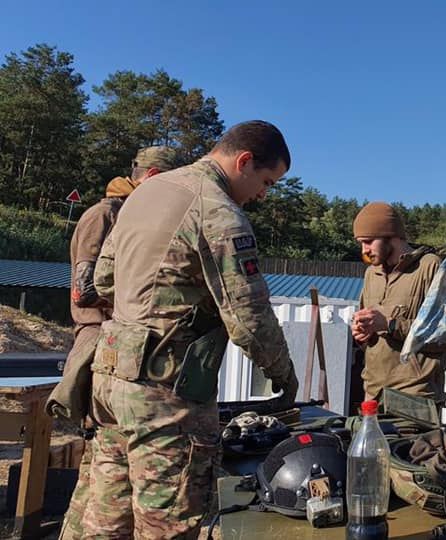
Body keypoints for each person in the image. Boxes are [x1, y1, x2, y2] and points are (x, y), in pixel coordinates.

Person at [76, 121, 299, 538]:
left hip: (109, 380)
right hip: (166, 394)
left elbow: (103, 281)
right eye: (266, 182)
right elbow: (249, 318)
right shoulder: (219, 212)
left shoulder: (146, 194)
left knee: (106, 520)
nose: (263, 195)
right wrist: (283, 374)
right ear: (244, 161)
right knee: (169, 523)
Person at [55, 145, 177, 540]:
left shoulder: (132, 214)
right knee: (97, 477)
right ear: (155, 177)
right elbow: (83, 291)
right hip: (98, 346)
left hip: (121, 351)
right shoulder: (103, 215)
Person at [351, 202, 446, 407]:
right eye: (360, 243)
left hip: (415, 399)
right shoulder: (372, 273)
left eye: (368, 242)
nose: (364, 250)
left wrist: (390, 324)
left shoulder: (430, 267)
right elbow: (368, 332)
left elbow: (443, 334)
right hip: (373, 394)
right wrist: (361, 333)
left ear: (391, 237)